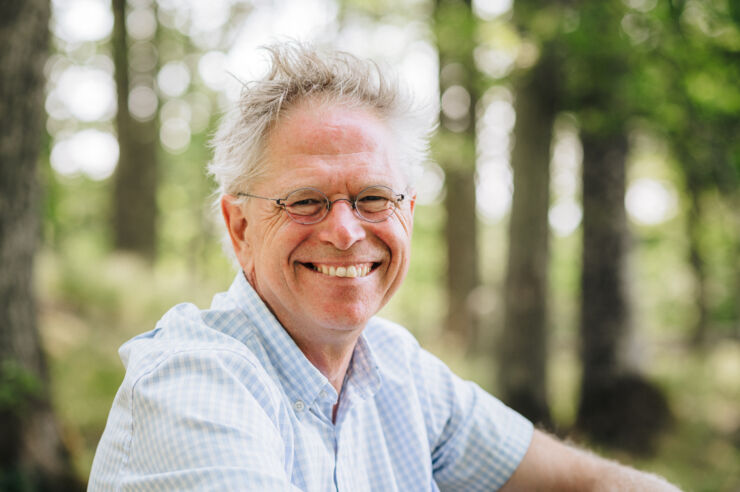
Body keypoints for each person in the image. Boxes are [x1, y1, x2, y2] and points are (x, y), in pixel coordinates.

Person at [89, 42, 681, 491]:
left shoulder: (396, 369)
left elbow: (592, 484)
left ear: (408, 212)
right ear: (239, 226)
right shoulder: (194, 383)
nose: (347, 231)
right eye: (305, 200)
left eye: (373, 198)